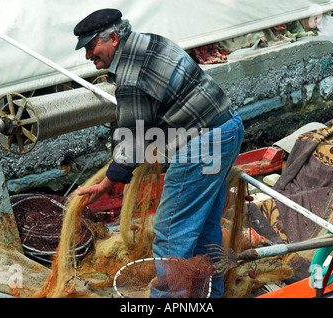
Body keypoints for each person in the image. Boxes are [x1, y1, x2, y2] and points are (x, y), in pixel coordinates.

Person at [73, 8, 244, 298]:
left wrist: (107, 182)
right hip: (227, 128)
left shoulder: (128, 78)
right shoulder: (151, 41)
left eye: (92, 47)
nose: (88, 56)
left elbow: (134, 137)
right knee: (204, 231)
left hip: (200, 145)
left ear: (113, 38)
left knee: (169, 235)